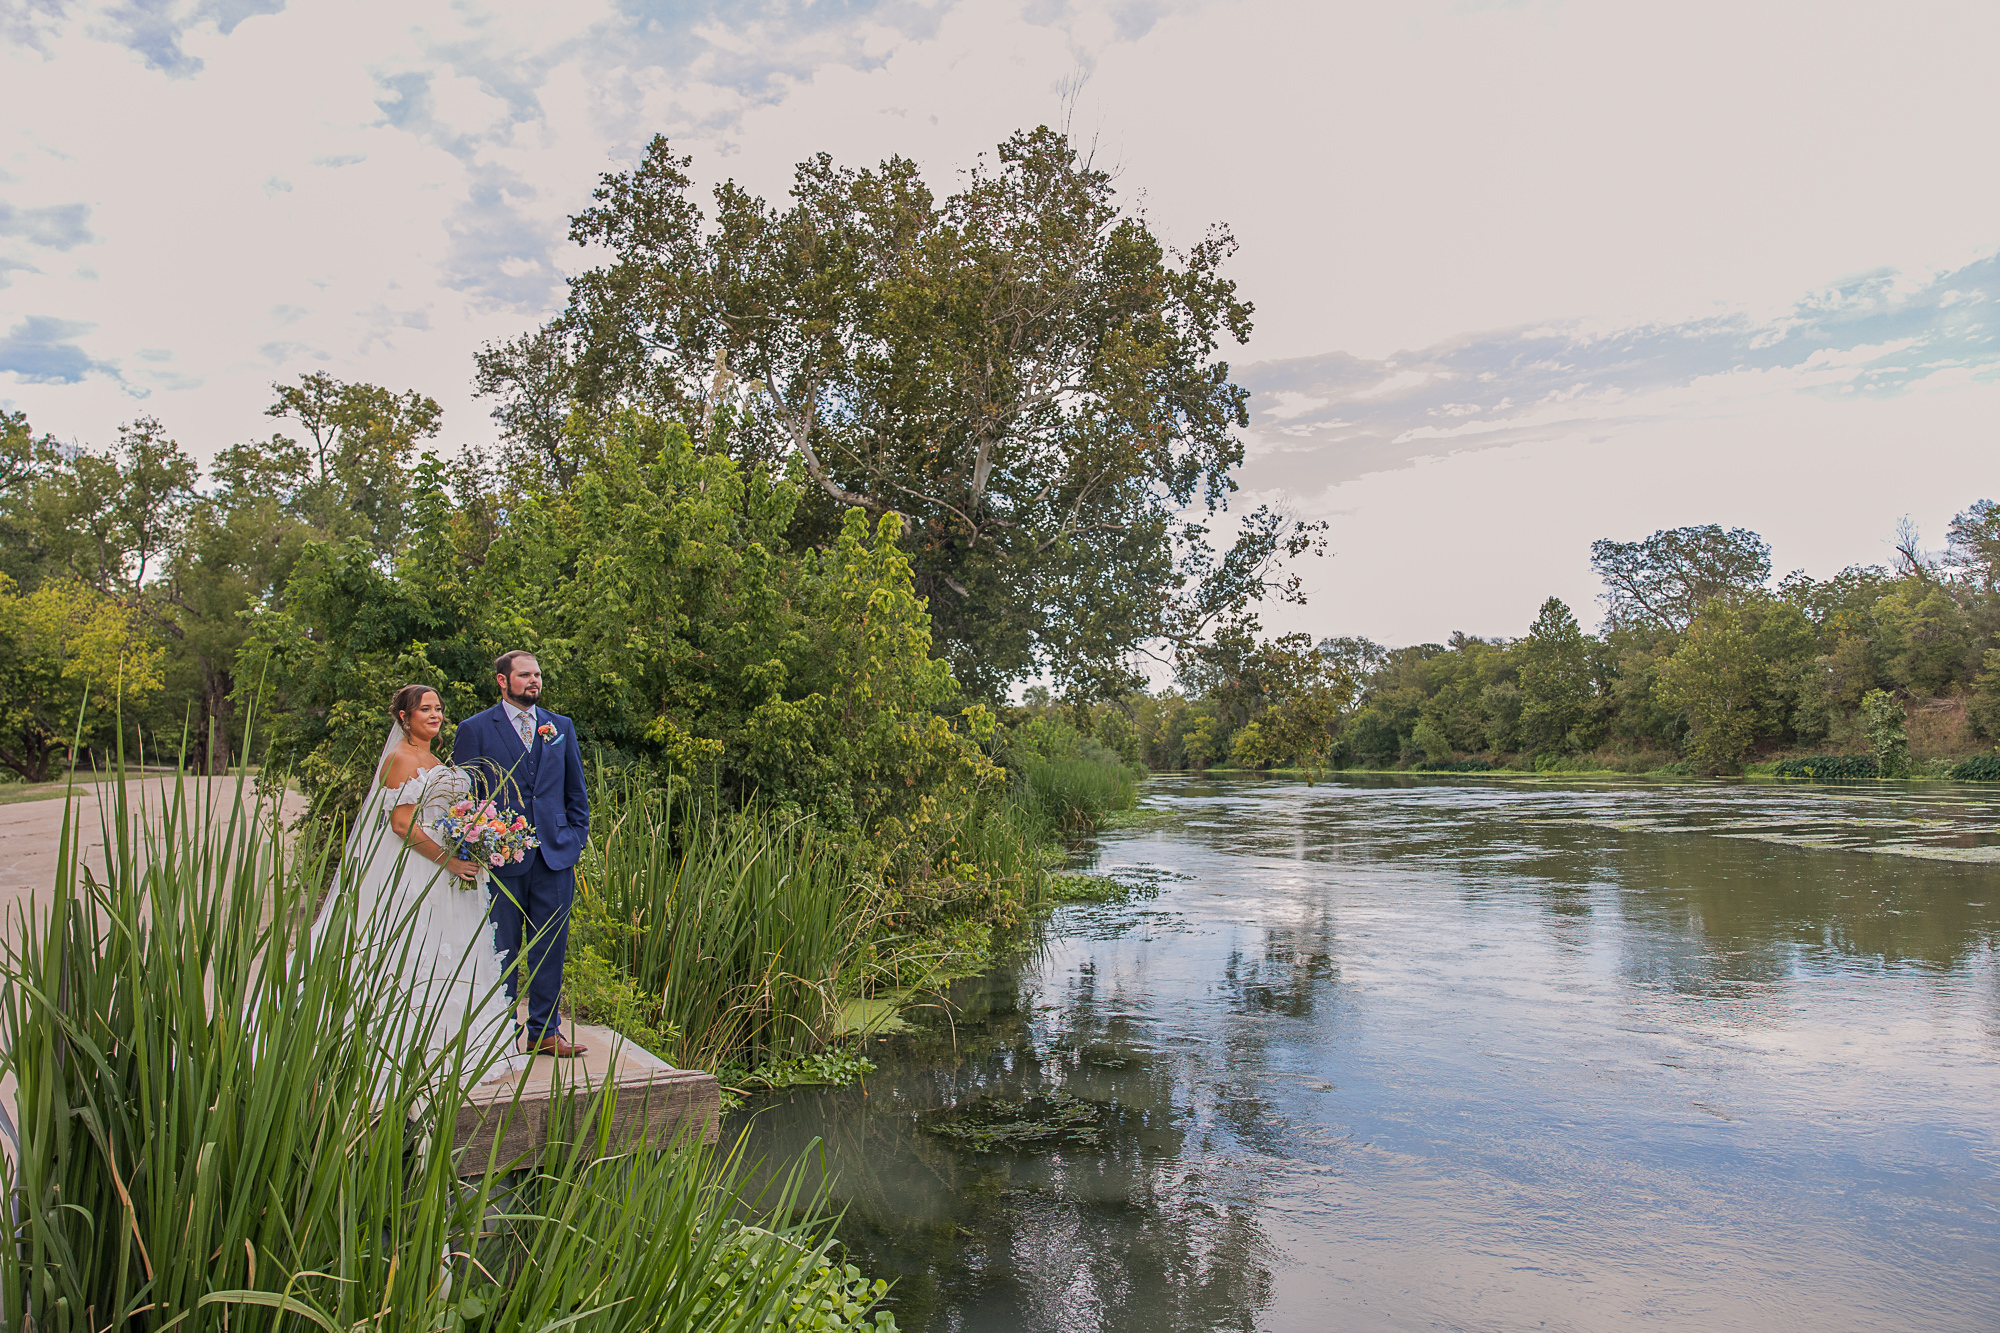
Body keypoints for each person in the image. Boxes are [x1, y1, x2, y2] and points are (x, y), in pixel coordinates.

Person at [310, 684, 526, 1087]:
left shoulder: (433, 757)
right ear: (404, 717)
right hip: (416, 866)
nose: (434, 714)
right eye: (424, 709)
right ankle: (403, 1049)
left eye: (438, 708)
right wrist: (450, 859)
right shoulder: (401, 758)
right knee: (417, 950)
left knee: (453, 949)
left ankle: (454, 1043)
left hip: (446, 864)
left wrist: (475, 834)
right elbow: (400, 823)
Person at [452, 651, 591, 1057]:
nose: (534, 681)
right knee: (503, 948)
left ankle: (545, 1032)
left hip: (555, 856)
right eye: (525, 675)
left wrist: (575, 837)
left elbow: (575, 790)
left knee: (551, 944)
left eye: (538, 675)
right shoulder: (475, 729)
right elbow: (465, 798)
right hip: (502, 858)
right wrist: (477, 845)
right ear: (502, 681)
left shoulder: (559, 726)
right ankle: (498, 1034)